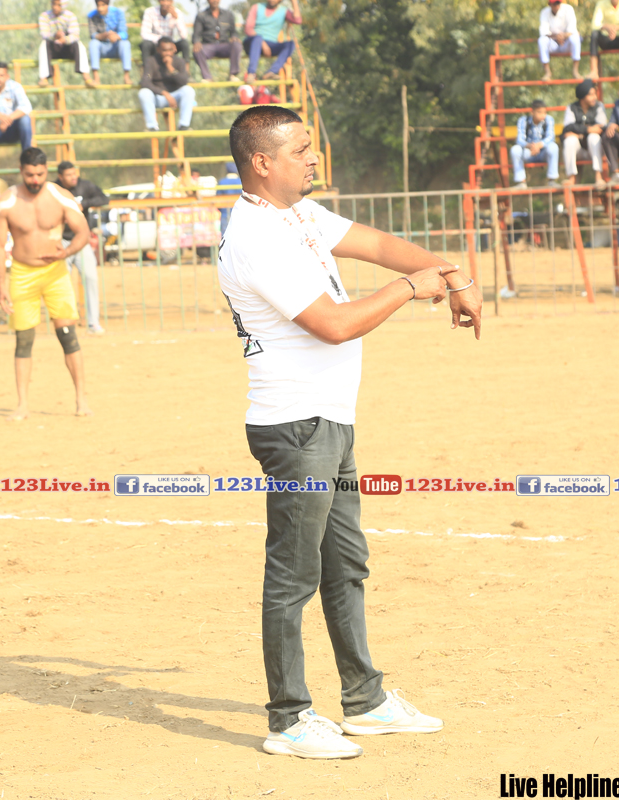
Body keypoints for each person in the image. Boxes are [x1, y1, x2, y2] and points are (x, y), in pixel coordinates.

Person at [218, 106, 479, 759]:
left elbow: (382, 245)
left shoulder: (299, 215)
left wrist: (454, 276)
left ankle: (366, 700)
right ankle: (288, 719)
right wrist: (409, 289)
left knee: (345, 563)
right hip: (295, 427)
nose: (314, 159)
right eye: (301, 150)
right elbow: (333, 325)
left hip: (328, 418)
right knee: (293, 574)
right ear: (262, 162)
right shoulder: (255, 236)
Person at [0, 147, 94, 420]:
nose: (35, 180)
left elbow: (83, 232)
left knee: (67, 335)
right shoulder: (6, 202)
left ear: (46, 170)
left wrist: (66, 252)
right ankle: (23, 405)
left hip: (55, 273)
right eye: (29, 175)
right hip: (22, 274)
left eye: (39, 174)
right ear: (21, 171)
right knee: (23, 340)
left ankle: (81, 400)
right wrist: (1, 286)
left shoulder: (61, 197)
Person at [54, 161, 108, 335]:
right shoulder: (53, 189)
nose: (73, 177)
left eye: (74, 173)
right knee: (63, 283)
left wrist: (84, 204)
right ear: (60, 176)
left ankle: (93, 323)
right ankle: (66, 323)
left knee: (91, 279)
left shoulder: (85, 186)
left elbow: (104, 198)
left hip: (81, 240)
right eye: (68, 175)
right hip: (61, 241)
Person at [139, 37, 196, 131]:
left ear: (174, 49)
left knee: (189, 90)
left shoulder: (180, 61)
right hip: (157, 97)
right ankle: (152, 127)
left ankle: (184, 125)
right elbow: (145, 82)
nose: (168, 53)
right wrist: (165, 94)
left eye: (170, 50)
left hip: (175, 98)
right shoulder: (150, 61)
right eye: (164, 50)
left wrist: (171, 68)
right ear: (158, 50)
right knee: (143, 93)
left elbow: (184, 81)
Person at [562, 79, 607, 188]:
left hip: (596, 149)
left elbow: (601, 127)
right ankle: (571, 178)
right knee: (570, 141)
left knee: (594, 137)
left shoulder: (599, 106)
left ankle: (598, 177)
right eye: (591, 94)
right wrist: (587, 130)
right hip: (579, 150)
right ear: (583, 96)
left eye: (595, 94)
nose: (594, 97)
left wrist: (580, 132)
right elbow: (568, 128)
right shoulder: (572, 108)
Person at [38, 0, 94, 88]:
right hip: (53, 47)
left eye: (58, 5)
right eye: (54, 4)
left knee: (79, 45)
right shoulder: (44, 16)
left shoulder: (70, 16)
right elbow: (44, 34)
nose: (55, 7)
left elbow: (75, 35)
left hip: (67, 47)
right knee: (44, 45)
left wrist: (65, 39)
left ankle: (86, 75)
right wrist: (55, 35)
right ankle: (43, 77)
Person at [243, 0, 301, 83]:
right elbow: (248, 29)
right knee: (257, 39)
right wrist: (262, 43)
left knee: (291, 44)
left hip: (270, 45)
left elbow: (298, 20)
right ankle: (251, 74)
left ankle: (271, 72)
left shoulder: (283, 11)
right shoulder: (256, 7)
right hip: (252, 43)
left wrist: (294, 2)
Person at [511, 99, 559, 189]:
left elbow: (551, 137)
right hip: (528, 152)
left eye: (544, 112)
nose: (543, 115)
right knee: (515, 150)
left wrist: (539, 145)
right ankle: (521, 182)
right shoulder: (523, 120)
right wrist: (530, 146)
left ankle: (552, 181)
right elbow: (519, 139)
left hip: (543, 152)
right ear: (532, 112)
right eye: (539, 112)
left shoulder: (549, 119)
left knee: (553, 147)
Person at [193, 0, 242, 82]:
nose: (214, 1)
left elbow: (234, 32)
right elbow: (196, 34)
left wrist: (234, 37)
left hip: (224, 45)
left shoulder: (228, 14)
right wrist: (196, 42)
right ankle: (207, 77)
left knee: (237, 45)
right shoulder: (201, 16)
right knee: (197, 50)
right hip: (208, 46)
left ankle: (233, 75)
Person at [88, 0, 131, 86]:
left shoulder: (118, 13)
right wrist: (103, 36)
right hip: (102, 48)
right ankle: (96, 78)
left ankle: (126, 76)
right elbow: (93, 35)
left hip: (116, 47)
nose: (100, 8)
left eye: (103, 5)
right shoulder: (91, 15)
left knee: (125, 43)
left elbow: (124, 33)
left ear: (108, 4)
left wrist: (116, 36)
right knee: (93, 43)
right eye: (98, 6)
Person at [589, 0, 619, 78]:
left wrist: (617, 28)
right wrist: (606, 27)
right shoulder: (601, 3)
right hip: (606, 40)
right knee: (594, 34)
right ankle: (594, 71)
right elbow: (594, 24)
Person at [538, 0, 581, 81]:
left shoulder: (568, 9)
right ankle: (547, 72)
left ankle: (575, 71)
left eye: (558, 3)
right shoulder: (544, 12)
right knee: (541, 40)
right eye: (554, 4)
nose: (557, 6)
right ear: (550, 4)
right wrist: (557, 36)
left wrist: (563, 36)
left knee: (575, 37)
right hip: (553, 43)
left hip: (566, 43)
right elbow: (543, 32)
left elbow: (572, 30)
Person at [217, 160, 242, 235]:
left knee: (225, 235)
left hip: (225, 213)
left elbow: (217, 200)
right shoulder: (241, 182)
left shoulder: (222, 182)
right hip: (240, 213)